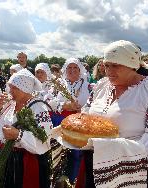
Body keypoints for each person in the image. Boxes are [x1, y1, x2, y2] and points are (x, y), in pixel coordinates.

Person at [79, 40, 148, 188]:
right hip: (96, 166)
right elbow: (86, 113)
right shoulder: (102, 86)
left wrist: (119, 145)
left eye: (116, 65)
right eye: (106, 65)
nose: (109, 71)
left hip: (136, 173)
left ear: (132, 65)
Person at [0, 69, 52, 188]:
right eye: (10, 87)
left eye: (15, 88)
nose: (10, 91)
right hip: (1, 157)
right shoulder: (9, 103)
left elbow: (44, 140)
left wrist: (19, 135)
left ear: (25, 89)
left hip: (21, 163)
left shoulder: (38, 108)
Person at [49, 58, 90, 186]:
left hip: (79, 122)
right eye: (69, 68)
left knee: (76, 153)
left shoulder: (87, 85)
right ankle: (55, 180)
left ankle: (72, 180)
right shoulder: (58, 84)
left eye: (75, 68)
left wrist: (82, 108)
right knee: (57, 152)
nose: (72, 71)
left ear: (80, 70)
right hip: (60, 121)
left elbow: (93, 103)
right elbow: (48, 100)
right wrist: (63, 105)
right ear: (65, 70)